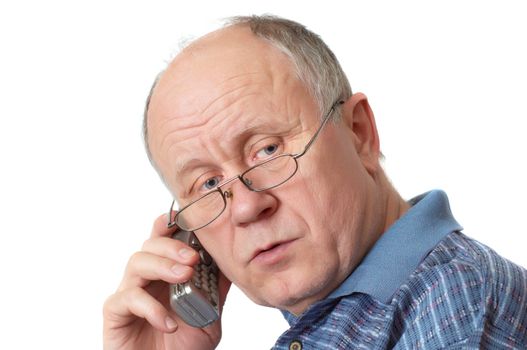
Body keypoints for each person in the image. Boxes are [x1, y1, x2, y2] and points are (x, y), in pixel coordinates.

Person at [103, 15, 527, 349]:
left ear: (359, 133)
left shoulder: (457, 315)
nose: (247, 207)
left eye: (267, 150)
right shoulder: (355, 315)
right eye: (208, 184)